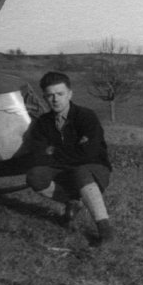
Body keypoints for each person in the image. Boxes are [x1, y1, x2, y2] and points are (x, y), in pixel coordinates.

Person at [25, 71, 114, 244]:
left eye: (60, 94)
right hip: (63, 170)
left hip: (94, 169)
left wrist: (54, 151)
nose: (55, 99)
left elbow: (90, 153)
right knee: (35, 176)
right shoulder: (43, 122)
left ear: (70, 94)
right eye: (50, 95)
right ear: (44, 97)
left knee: (80, 171)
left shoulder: (86, 116)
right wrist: (74, 149)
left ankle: (104, 229)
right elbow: (38, 154)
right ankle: (73, 200)